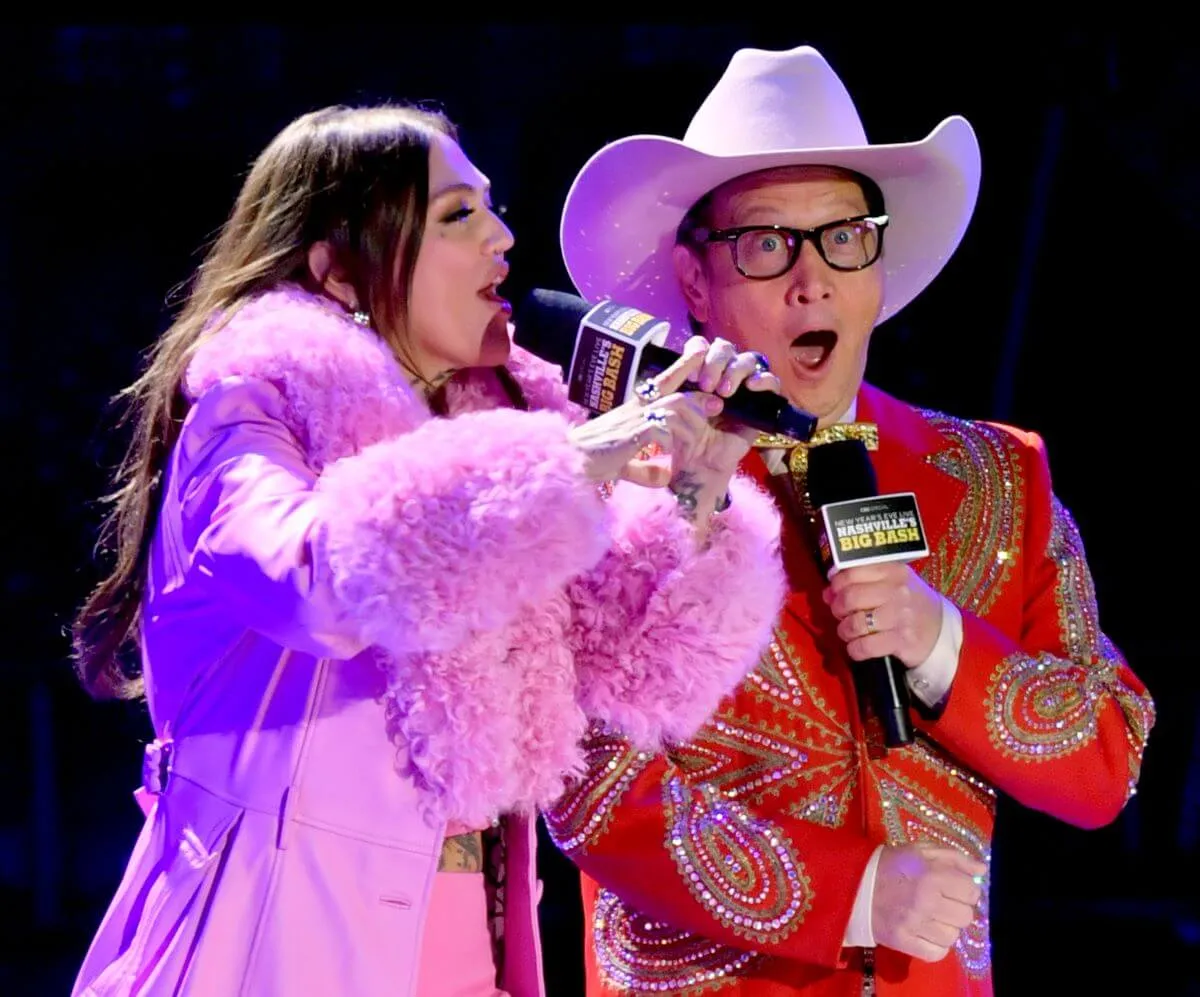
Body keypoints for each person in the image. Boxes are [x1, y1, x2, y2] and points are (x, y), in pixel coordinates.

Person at [67, 102, 793, 997]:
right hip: (274, 938)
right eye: (459, 214)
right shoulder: (246, 416)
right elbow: (319, 581)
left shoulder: (504, 430)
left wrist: (700, 474)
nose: (504, 237)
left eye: (491, 208)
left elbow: (636, 665)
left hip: (468, 942)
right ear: (337, 269)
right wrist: (577, 457)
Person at [544, 44, 1156, 996]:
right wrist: (855, 891)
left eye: (843, 237)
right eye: (765, 243)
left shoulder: (995, 475)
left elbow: (1106, 757)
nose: (812, 279)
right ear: (696, 281)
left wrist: (938, 639)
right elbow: (591, 789)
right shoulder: (618, 477)